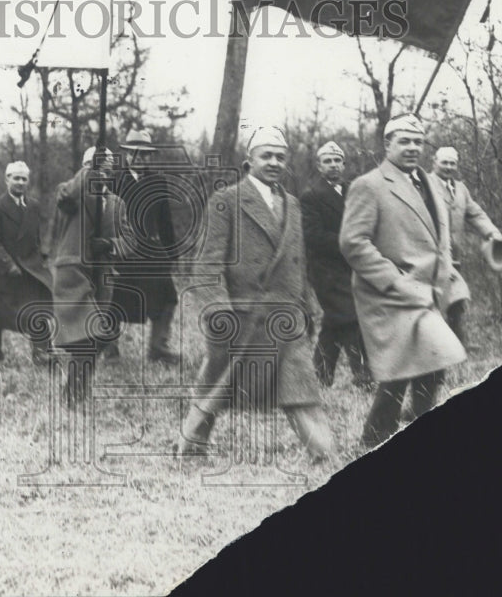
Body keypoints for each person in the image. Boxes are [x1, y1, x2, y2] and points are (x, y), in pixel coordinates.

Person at [175, 127, 334, 461]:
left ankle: (322, 452)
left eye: (280, 156)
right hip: (242, 316)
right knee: (216, 386)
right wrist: (218, 310)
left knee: (300, 386)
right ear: (249, 161)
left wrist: (308, 306)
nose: (274, 162)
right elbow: (207, 263)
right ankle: (189, 447)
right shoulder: (227, 200)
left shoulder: (292, 203)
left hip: (286, 316)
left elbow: (299, 262)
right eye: (267, 156)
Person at [339, 115, 466, 448]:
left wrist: (448, 269)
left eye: (418, 141)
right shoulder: (369, 185)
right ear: (387, 144)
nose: (412, 148)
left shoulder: (430, 183)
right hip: (391, 293)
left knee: (426, 367)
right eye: (404, 141)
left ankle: (378, 438)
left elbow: (441, 235)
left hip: (431, 289)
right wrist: (394, 281)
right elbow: (353, 242)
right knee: (406, 370)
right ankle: (373, 441)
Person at [49, 145, 131, 405]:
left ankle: (77, 389)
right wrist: (88, 172)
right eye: (99, 169)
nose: (104, 176)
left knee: (96, 337)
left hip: (103, 275)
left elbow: (131, 241)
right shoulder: (73, 194)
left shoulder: (118, 204)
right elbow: (66, 195)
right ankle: (73, 395)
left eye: (108, 171)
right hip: (74, 271)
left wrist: (109, 245)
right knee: (85, 335)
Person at [300, 140, 371, 388]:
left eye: (337, 160)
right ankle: (364, 375)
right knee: (351, 316)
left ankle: (320, 376)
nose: (333, 165)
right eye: (327, 161)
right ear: (319, 166)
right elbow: (314, 236)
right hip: (326, 271)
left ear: (344, 164)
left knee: (334, 321)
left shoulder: (354, 190)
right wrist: (349, 242)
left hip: (353, 268)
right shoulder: (311, 197)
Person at [110, 129, 182, 365]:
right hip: (121, 252)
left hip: (151, 254)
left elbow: (165, 222)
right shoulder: (113, 180)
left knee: (168, 297)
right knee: (113, 299)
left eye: (145, 154)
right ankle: (110, 350)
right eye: (136, 153)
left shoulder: (157, 182)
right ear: (128, 154)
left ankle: (158, 347)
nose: (140, 158)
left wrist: (173, 254)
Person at [427, 146, 502, 348]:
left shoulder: (461, 188)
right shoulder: (425, 184)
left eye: (452, 163)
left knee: (456, 299)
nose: (448, 167)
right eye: (444, 162)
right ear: (434, 162)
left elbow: (475, 214)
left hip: (455, 254)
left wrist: (492, 233)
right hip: (430, 254)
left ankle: (458, 343)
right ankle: (433, 346)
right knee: (431, 300)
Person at [0, 160, 53, 364]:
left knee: (37, 311)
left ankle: (42, 353)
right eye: (16, 178)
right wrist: (8, 263)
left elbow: (39, 235)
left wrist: (42, 256)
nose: (20, 182)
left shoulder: (34, 206)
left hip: (28, 270)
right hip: (1, 273)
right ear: (7, 180)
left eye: (24, 179)